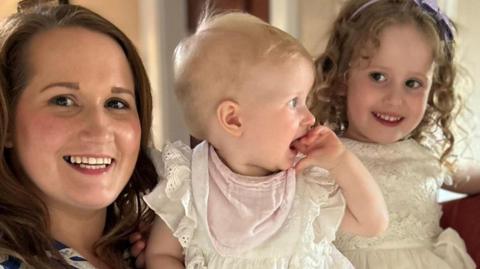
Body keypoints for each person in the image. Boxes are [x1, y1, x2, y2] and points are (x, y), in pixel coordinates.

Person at [142, 11, 388, 269]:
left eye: (305, 102)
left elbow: (373, 223)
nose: (310, 117)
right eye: (294, 102)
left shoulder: (306, 181)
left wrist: (341, 162)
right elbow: (161, 255)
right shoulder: (191, 184)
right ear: (234, 119)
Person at [310, 0, 480, 268]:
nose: (395, 99)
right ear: (343, 79)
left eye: (413, 83)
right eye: (378, 76)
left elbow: (471, 177)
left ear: (433, 89)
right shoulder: (323, 153)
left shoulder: (426, 158)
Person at [0, 1, 158, 268]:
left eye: (116, 103)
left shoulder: (164, 248)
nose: (99, 129)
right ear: (6, 123)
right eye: (63, 100)